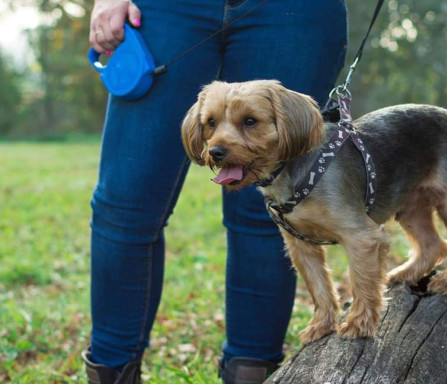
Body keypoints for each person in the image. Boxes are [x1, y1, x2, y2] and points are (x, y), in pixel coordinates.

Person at [83, 0, 347, 383]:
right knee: (125, 205)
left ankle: (251, 371)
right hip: (162, 9)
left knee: (270, 207)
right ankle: (110, 372)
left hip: (294, 11)